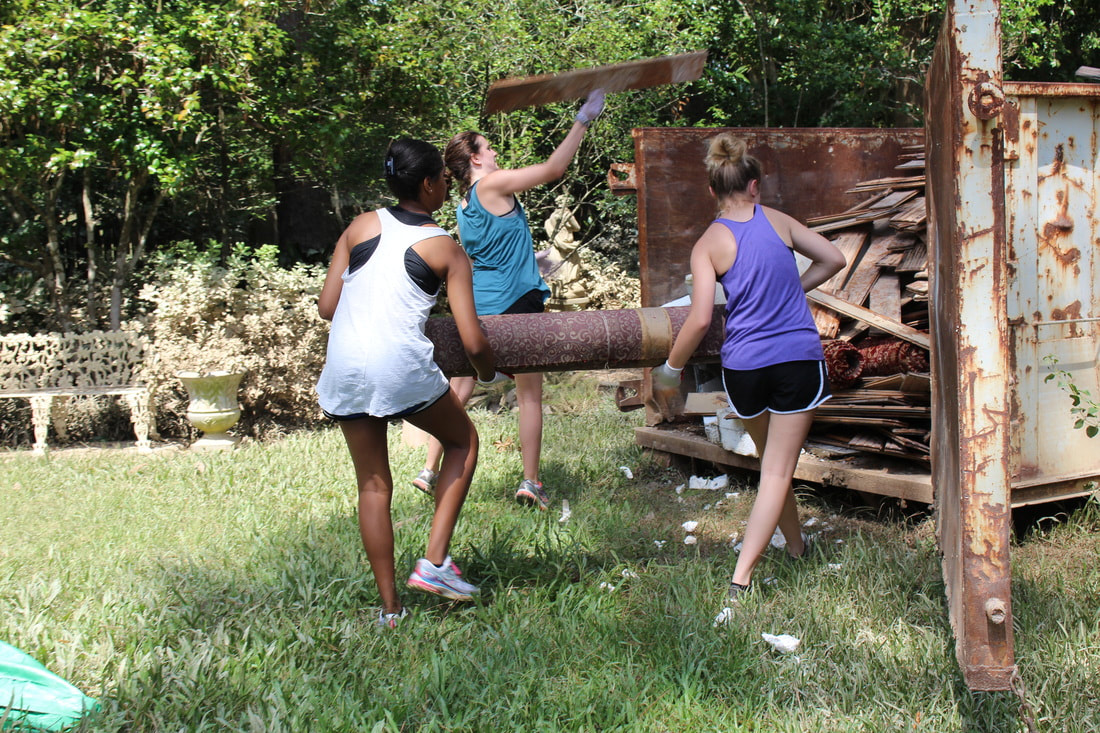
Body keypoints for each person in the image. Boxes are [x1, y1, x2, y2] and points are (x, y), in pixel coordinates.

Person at [651, 132, 845, 603]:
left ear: (711, 189)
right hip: (797, 361)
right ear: (754, 185)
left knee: (771, 466)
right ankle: (741, 580)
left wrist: (670, 369)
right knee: (778, 472)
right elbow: (834, 258)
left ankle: (796, 547)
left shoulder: (708, 243)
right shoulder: (778, 222)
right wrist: (796, 288)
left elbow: (699, 319)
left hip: (744, 369)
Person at [316, 138, 498, 628]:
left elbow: (328, 306)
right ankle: (435, 564)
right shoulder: (446, 250)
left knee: (373, 486)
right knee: (462, 440)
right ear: (427, 184)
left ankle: (391, 611)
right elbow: (474, 341)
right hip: (398, 366)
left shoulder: (359, 226)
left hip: (346, 367)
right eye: (442, 177)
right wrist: (485, 374)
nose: (446, 184)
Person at [412, 89, 606, 512]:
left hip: (480, 306)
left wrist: (531, 259)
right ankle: (531, 481)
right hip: (518, 304)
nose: (495, 150)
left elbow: (487, 253)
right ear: (476, 159)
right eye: (488, 146)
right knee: (530, 395)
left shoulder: (464, 204)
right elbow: (554, 168)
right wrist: (583, 119)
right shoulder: (493, 183)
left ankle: (428, 470)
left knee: (457, 389)